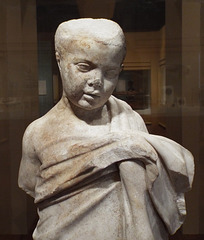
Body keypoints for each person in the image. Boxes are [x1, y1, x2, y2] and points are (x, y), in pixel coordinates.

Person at [18, 18, 194, 240]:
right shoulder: (37, 133)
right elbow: (29, 184)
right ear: (59, 60)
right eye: (84, 67)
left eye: (110, 72)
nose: (97, 81)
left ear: (120, 70)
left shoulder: (131, 122)